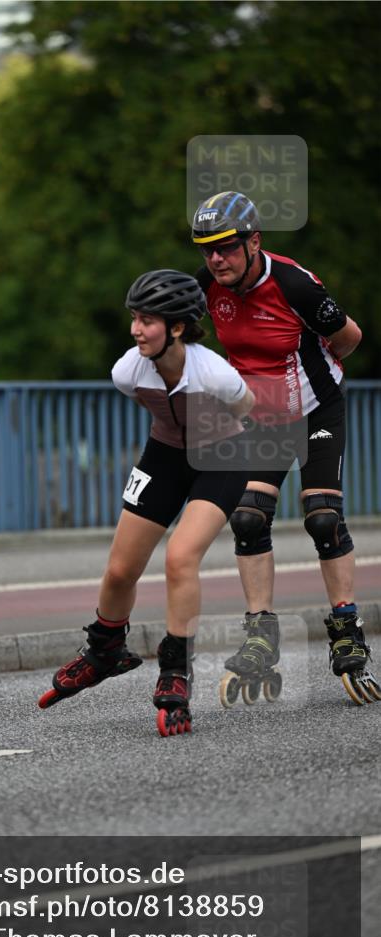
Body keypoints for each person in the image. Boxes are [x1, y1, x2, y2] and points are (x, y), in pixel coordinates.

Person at [37, 269, 256, 736]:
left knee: (180, 558)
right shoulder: (127, 369)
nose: (136, 329)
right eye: (134, 318)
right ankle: (105, 649)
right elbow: (152, 406)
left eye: (147, 320)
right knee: (120, 570)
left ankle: (175, 672)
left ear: (177, 327)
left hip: (223, 457)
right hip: (165, 454)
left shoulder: (214, 372)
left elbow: (246, 407)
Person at [191, 190, 380, 706]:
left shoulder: (295, 284)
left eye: (227, 247)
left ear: (255, 241)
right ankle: (260, 632)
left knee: (322, 516)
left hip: (318, 409)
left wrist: (312, 379)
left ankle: (346, 626)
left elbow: (350, 337)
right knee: (249, 517)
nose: (216, 259)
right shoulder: (206, 287)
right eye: (206, 249)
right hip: (263, 417)